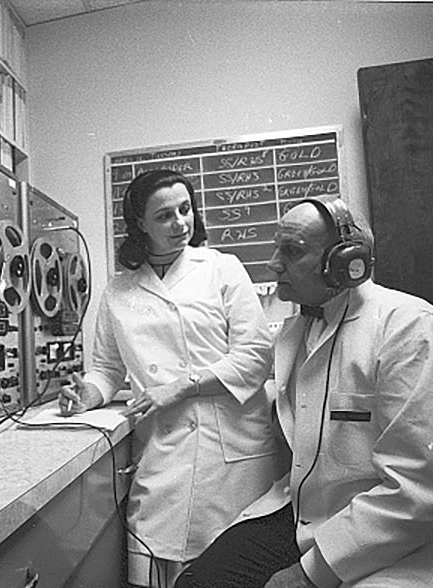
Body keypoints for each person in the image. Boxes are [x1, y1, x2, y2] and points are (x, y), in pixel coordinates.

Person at [175, 196, 433, 588]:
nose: (273, 264)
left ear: (344, 263)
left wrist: (307, 574)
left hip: (431, 534)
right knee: (199, 581)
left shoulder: (415, 333)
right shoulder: (300, 331)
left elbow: (426, 493)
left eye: (292, 251)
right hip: (324, 517)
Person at [58, 169, 283, 588]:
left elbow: (255, 357)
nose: (180, 222)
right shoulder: (119, 291)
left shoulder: (221, 269)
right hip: (163, 455)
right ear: (140, 224)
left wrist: (182, 386)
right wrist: (87, 394)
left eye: (185, 209)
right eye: (164, 215)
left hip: (231, 453)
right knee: (157, 569)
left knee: (231, 572)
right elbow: (107, 369)